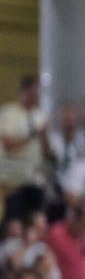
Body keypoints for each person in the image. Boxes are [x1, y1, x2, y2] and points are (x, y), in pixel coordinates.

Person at [0, 75, 48, 221]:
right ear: (24, 91)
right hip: (13, 180)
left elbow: (45, 150)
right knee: (14, 222)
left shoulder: (40, 115)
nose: (36, 96)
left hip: (34, 178)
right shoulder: (9, 113)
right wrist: (33, 134)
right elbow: (9, 146)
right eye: (34, 92)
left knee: (34, 219)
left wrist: (45, 137)